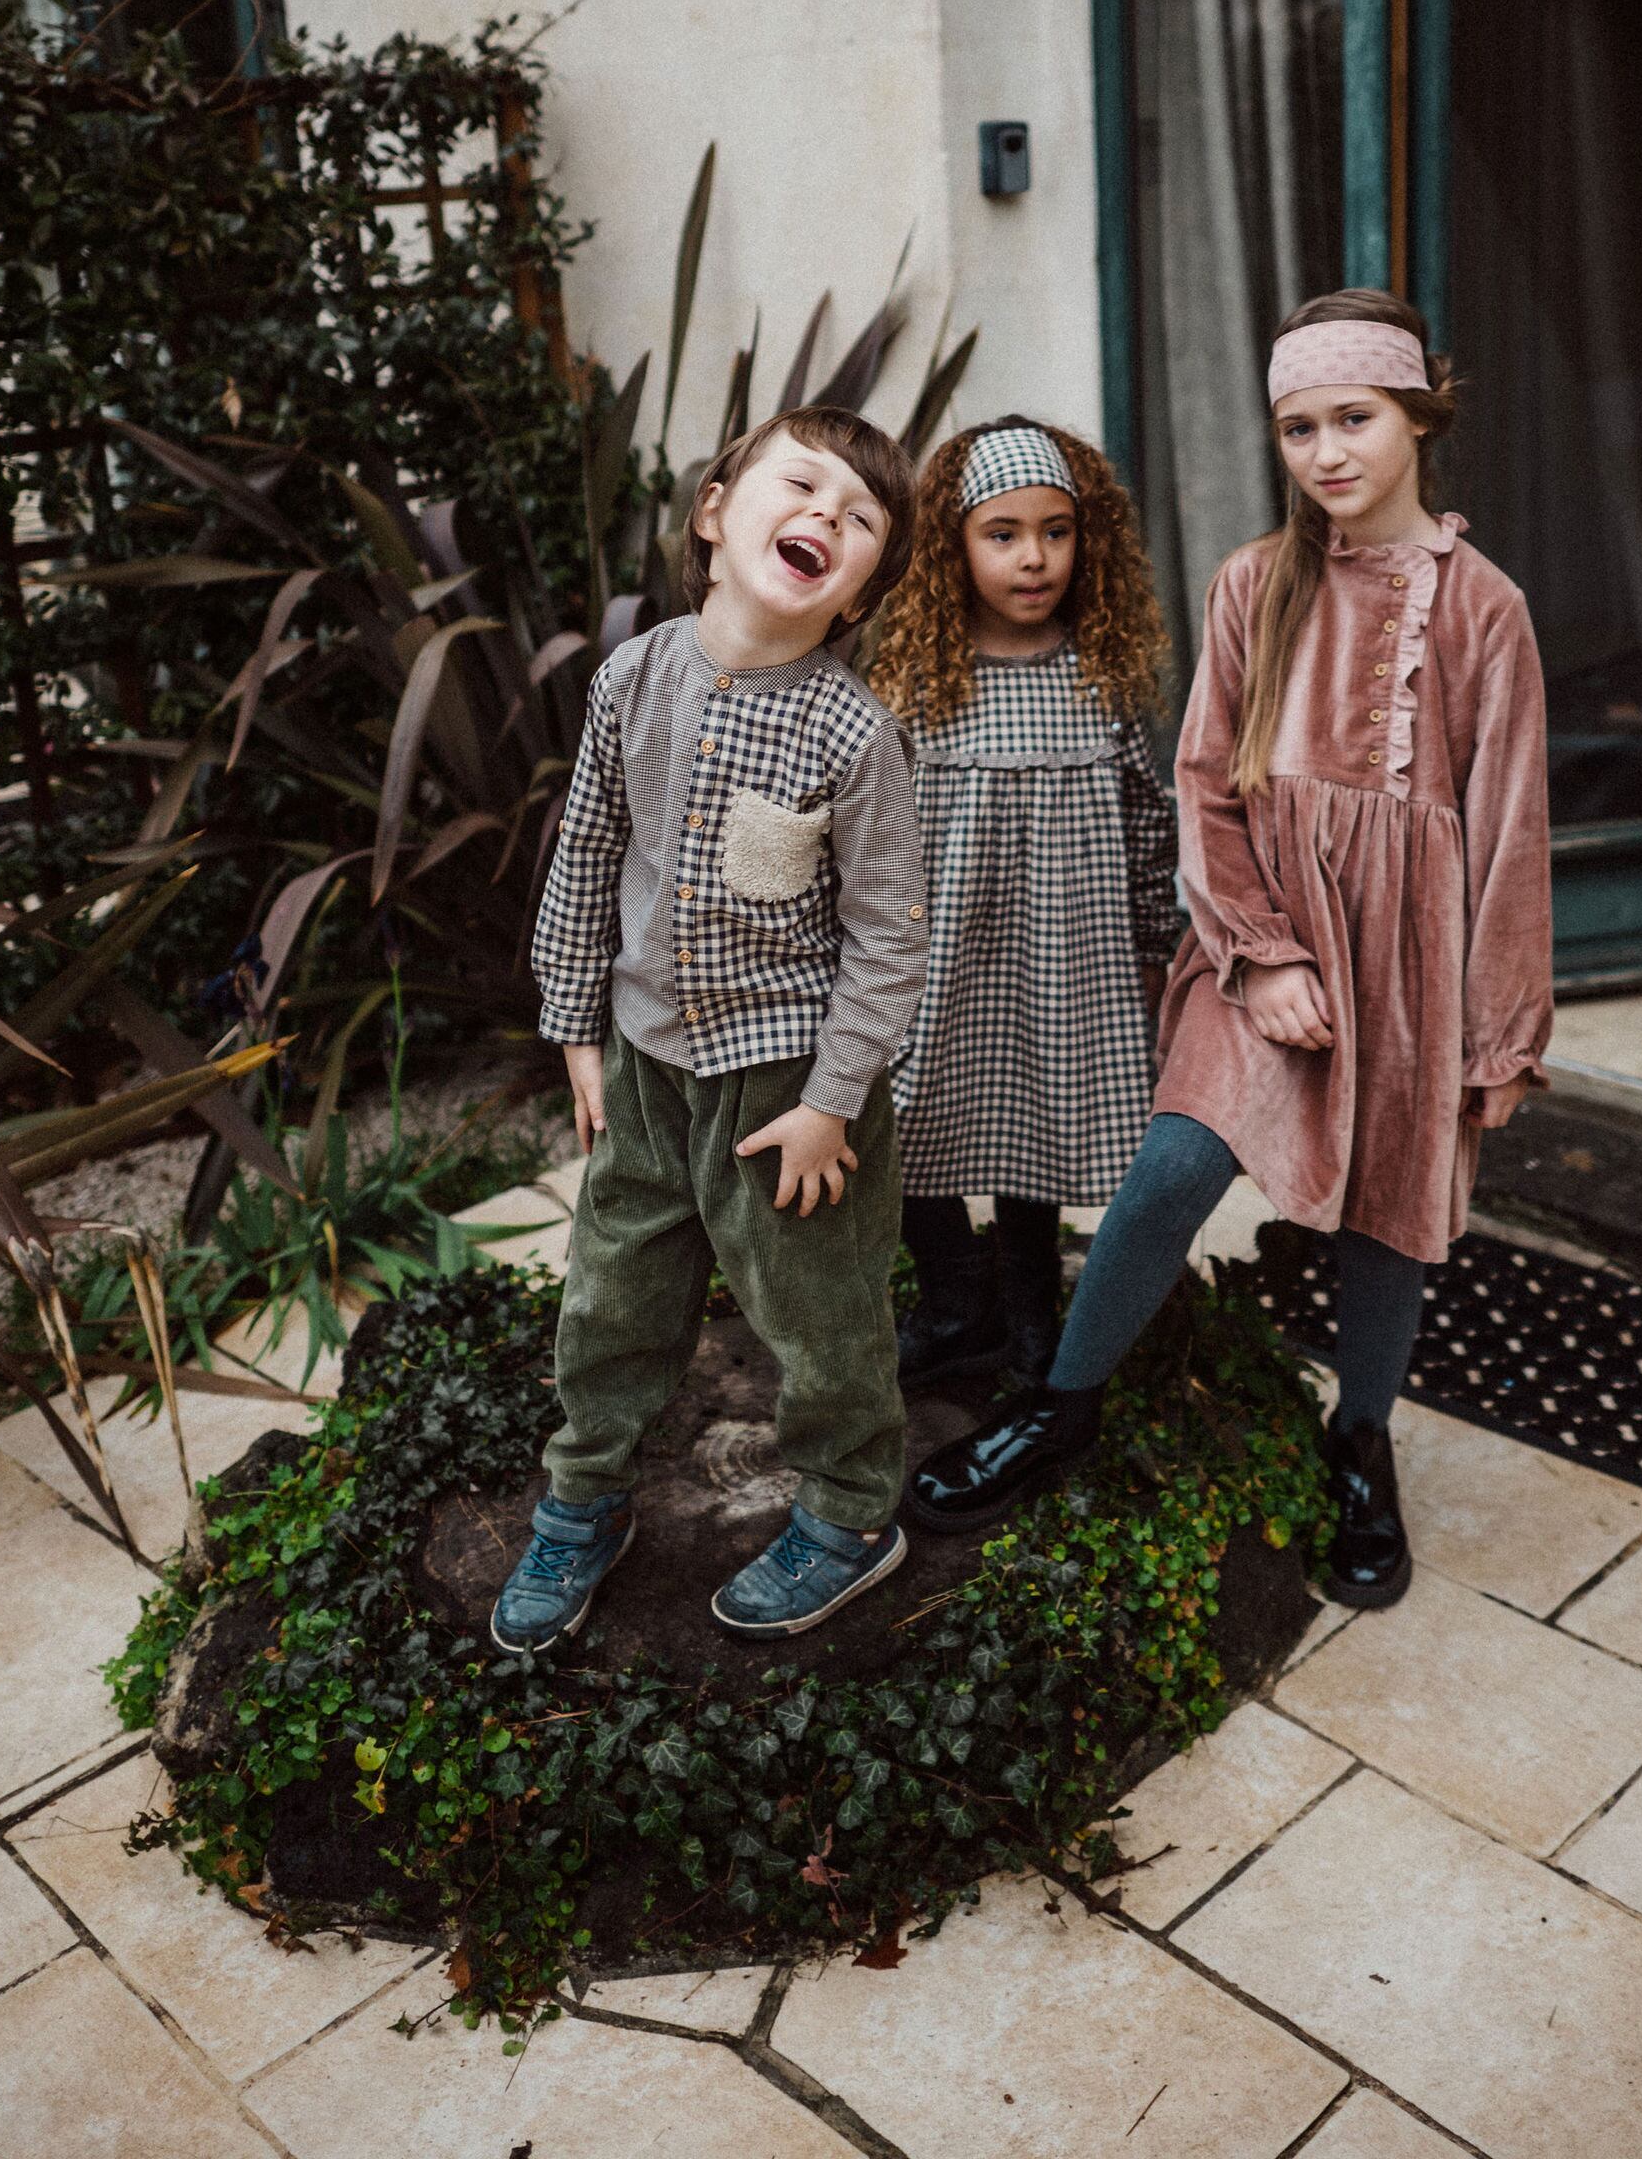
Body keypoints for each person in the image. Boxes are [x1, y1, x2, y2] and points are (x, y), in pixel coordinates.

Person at [905, 291, 1553, 1611]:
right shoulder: (1254, 584)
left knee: (1389, 1216)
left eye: (1352, 419)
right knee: (1170, 1169)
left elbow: (1510, 836)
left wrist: (1497, 1031)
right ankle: (1062, 1403)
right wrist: (1260, 953)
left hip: (1414, 966)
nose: (1325, 451)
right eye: (1297, 427)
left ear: (1420, 417)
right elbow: (1204, 784)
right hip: (1259, 940)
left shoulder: (1488, 611)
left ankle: (1359, 1441)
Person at [492, 406, 930, 1653]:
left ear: (858, 593)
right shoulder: (633, 675)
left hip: (786, 1090)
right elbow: (588, 850)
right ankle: (584, 1496)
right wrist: (576, 1025)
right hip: (644, 1065)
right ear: (715, 512)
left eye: (858, 518)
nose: (824, 516)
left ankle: (849, 1515)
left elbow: (890, 935)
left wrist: (831, 1103)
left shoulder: (852, 733)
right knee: (612, 1291)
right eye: (801, 486)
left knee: (819, 1311)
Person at [869, 417, 1180, 1386]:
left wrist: (1153, 949)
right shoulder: (919, 680)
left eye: (1055, 531)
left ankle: (1031, 1314)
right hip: (937, 960)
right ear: (952, 545)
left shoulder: (1097, 676)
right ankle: (956, 1298)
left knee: (1032, 1126)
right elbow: (870, 828)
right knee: (901, 1118)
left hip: (1062, 961)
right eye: (1001, 534)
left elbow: (1148, 823)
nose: (1033, 557)